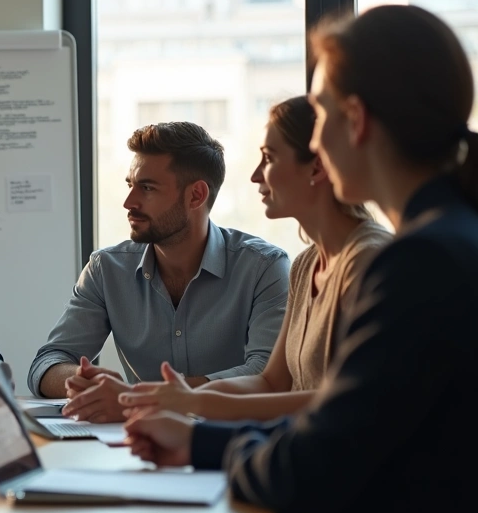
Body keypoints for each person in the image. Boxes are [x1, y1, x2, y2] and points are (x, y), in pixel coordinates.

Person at [124, 5, 478, 513]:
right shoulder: (447, 237)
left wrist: (200, 442)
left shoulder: (417, 262)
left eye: (319, 118)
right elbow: (339, 425)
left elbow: (320, 460)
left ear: (357, 120)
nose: (315, 141)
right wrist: (197, 432)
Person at [117, 97, 390, 421]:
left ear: (316, 166)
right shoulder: (306, 265)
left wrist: (181, 405)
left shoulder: (370, 261)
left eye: (269, 158)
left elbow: (353, 401)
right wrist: (168, 400)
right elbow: (270, 382)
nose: (256, 176)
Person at [29, 122, 290, 423]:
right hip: (140, 447)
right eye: (130, 185)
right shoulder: (107, 269)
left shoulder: (264, 267)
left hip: (234, 443)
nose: (129, 203)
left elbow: (265, 373)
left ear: (195, 196)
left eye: (148, 188)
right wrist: (84, 380)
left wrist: (136, 398)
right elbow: (47, 363)